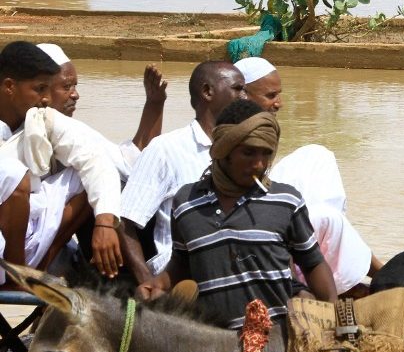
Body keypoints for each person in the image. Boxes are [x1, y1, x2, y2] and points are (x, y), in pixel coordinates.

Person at [136, 99, 336, 327]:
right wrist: (158, 285)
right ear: (224, 150)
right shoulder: (186, 203)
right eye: (249, 153)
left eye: (266, 153)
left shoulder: (286, 200)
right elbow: (181, 261)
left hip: (277, 345)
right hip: (214, 346)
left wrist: (332, 317)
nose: (259, 164)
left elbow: (312, 263)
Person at [234, 56, 382, 295]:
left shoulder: (256, 127)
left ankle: (331, 257)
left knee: (317, 155)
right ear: (244, 96)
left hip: (263, 204)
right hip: (251, 220)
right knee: (326, 217)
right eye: (270, 96)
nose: (279, 103)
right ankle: (373, 273)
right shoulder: (229, 134)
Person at [0, 41, 123, 280]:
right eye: (39, 89)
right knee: (14, 177)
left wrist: (105, 223)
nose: (46, 99)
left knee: (85, 174)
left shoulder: (44, 119)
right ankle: (18, 277)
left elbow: (95, 159)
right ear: (9, 87)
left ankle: (37, 268)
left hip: (27, 235)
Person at [118, 61, 246, 285]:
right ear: (207, 92)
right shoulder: (166, 149)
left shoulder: (242, 151)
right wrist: (148, 284)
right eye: (238, 88)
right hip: (180, 280)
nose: (245, 97)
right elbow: (124, 221)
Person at [36, 42, 167, 176]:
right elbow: (132, 166)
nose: (76, 95)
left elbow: (129, 162)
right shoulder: (63, 131)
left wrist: (154, 104)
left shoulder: (69, 132)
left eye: (74, 86)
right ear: (41, 90)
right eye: (66, 86)